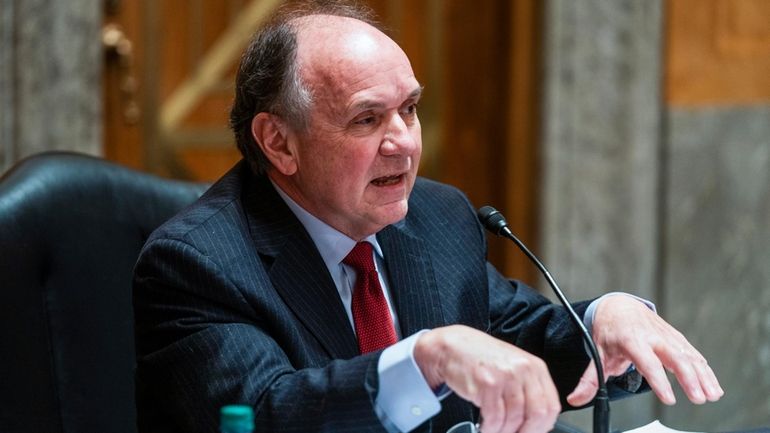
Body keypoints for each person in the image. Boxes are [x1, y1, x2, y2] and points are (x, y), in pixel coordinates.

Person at [132, 2, 723, 433]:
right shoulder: (197, 264)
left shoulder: (438, 216)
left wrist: (602, 323)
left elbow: (513, 342)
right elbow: (267, 412)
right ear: (279, 143)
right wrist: (423, 360)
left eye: (409, 110)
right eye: (367, 120)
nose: (403, 144)